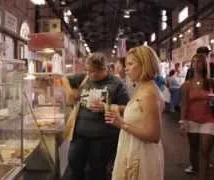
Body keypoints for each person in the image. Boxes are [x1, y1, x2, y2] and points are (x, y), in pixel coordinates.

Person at [62, 52, 129, 180]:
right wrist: (69, 92)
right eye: (88, 70)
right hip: (79, 134)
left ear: (104, 69)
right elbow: (64, 79)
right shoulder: (85, 77)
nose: (90, 74)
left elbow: (127, 109)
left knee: (97, 170)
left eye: (94, 72)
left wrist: (106, 107)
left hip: (104, 137)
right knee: (74, 165)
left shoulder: (117, 84)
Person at [105, 45, 164, 180]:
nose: (126, 69)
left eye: (131, 64)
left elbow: (154, 135)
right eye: (126, 64)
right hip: (134, 150)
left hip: (142, 155)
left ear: (144, 64)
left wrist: (121, 124)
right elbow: (141, 113)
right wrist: (120, 109)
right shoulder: (143, 88)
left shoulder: (149, 93)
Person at [180, 54, 214, 180]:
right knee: (194, 149)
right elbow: (184, 104)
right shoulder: (186, 85)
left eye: (200, 61)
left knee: (205, 151)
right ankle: (195, 168)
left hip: (209, 120)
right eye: (194, 61)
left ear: (205, 64)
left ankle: (202, 177)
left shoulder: (210, 82)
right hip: (191, 120)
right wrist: (182, 121)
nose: (197, 63)